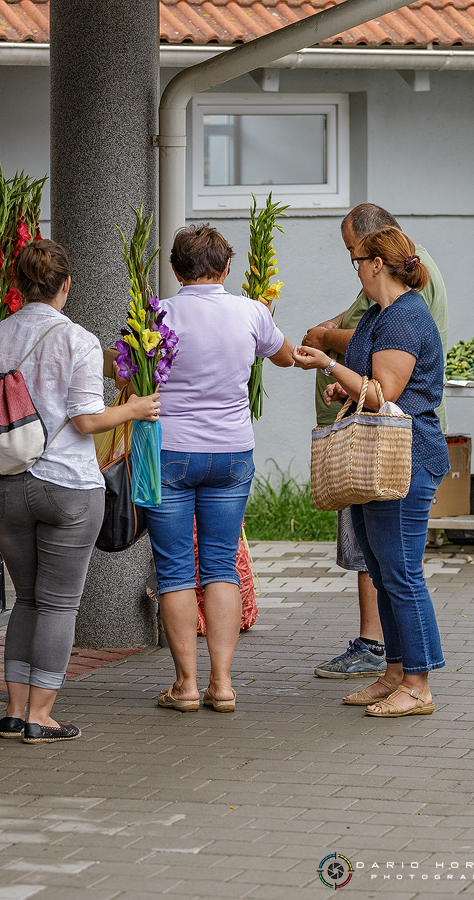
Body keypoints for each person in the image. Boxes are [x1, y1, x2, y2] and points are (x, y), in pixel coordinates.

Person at [0, 240, 160, 744]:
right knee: (58, 605)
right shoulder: (78, 340)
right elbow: (87, 419)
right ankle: (41, 715)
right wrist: (136, 409)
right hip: (67, 487)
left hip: (5, 486)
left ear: (17, 285)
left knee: (26, 600)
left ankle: (12, 711)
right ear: (66, 285)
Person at [293, 226, 449, 716]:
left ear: (377, 263)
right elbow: (367, 385)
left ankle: (418, 684)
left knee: (401, 573)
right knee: (382, 572)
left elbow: (383, 393)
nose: (355, 267)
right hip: (377, 457)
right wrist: (343, 388)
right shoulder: (378, 316)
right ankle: (395, 673)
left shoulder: (404, 318)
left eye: (356, 259)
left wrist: (327, 363)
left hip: (406, 461)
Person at [144, 224, 294, 713]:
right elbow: (286, 356)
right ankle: (223, 684)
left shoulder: (158, 314)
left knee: (174, 572)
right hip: (232, 452)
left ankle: (185, 685)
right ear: (227, 268)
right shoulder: (252, 311)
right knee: (221, 565)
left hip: (171, 454)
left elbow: (129, 370)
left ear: (175, 269)